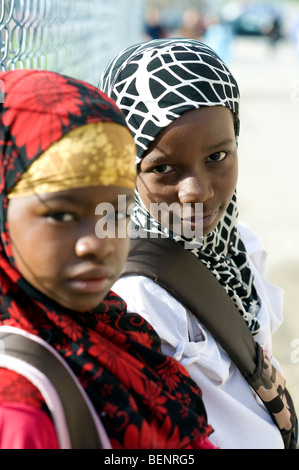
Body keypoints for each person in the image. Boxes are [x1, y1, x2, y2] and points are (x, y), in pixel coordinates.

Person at [0, 69, 215, 449]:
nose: (97, 244)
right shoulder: (20, 410)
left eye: (116, 212)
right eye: (61, 215)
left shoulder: (110, 323)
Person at [100, 38, 297, 449]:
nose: (197, 191)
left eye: (217, 157)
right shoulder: (134, 296)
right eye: (164, 168)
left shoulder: (238, 241)